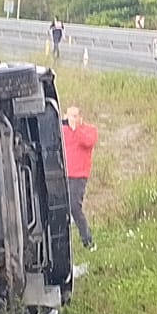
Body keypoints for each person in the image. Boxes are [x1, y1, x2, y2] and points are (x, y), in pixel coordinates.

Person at [61, 105, 98, 250]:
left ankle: (87, 239)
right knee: (63, 208)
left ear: (81, 117)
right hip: (64, 175)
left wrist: (75, 129)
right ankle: (64, 244)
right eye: (69, 116)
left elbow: (88, 142)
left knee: (75, 207)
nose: (72, 119)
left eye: (75, 116)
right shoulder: (63, 131)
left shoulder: (89, 130)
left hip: (79, 175)